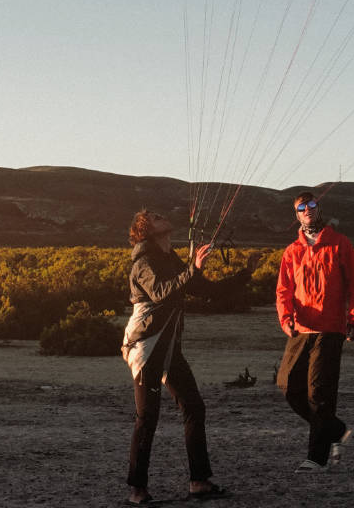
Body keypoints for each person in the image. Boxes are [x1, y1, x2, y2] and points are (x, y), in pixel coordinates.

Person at [121, 209, 228, 503]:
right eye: (156, 217)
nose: (163, 216)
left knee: (194, 406)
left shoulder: (170, 258)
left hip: (168, 349)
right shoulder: (143, 262)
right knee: (147, 417)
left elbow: (205, 290)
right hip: (146, 348)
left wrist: (247, 273)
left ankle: (199, 481)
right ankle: (137, 489)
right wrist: (192, 269)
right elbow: (161, 292)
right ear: (146, 229)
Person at [275, 189, 354, 471]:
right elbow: (283, 290)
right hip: (301, 328)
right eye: (302, 207)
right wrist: (285, 317)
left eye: (312, 205)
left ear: (319, 208)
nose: (308, 210)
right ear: (296, 214)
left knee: (319, 393)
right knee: (288, 385)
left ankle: (316, 458)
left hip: (330, 328)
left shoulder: (339, 244)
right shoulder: (292, 251)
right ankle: (336, 430)